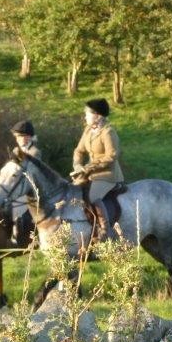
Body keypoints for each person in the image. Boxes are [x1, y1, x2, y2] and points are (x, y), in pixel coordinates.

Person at [70, 98, 124, 241]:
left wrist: (89, 167)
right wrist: (77, 165)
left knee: (92, 197)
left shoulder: (108, 132)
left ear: (98, 116)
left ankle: (104, 229)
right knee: (72, 193)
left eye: (87, 114)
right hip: (89, 173)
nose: (85, 117)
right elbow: (79, 151)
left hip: (108, 174)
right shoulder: (88, 130)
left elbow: (112, 156)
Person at [9, 120, 41, 247]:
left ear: (28, 137)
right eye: (17, 137)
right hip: (18, 185)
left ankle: (23, 235)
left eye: (20, 136)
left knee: (18, 205)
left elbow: (31, 172)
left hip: (32, 186)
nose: (18, 139)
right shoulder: (15, 150)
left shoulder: (34, 152)